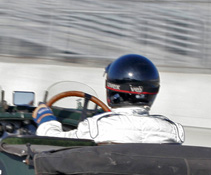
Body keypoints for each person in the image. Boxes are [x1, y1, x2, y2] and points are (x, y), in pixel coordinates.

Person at [32, 54, 185, 144]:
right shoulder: (173, 132)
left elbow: (53, 141)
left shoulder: (96, 127)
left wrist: (46, 120)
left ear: (112, 92)